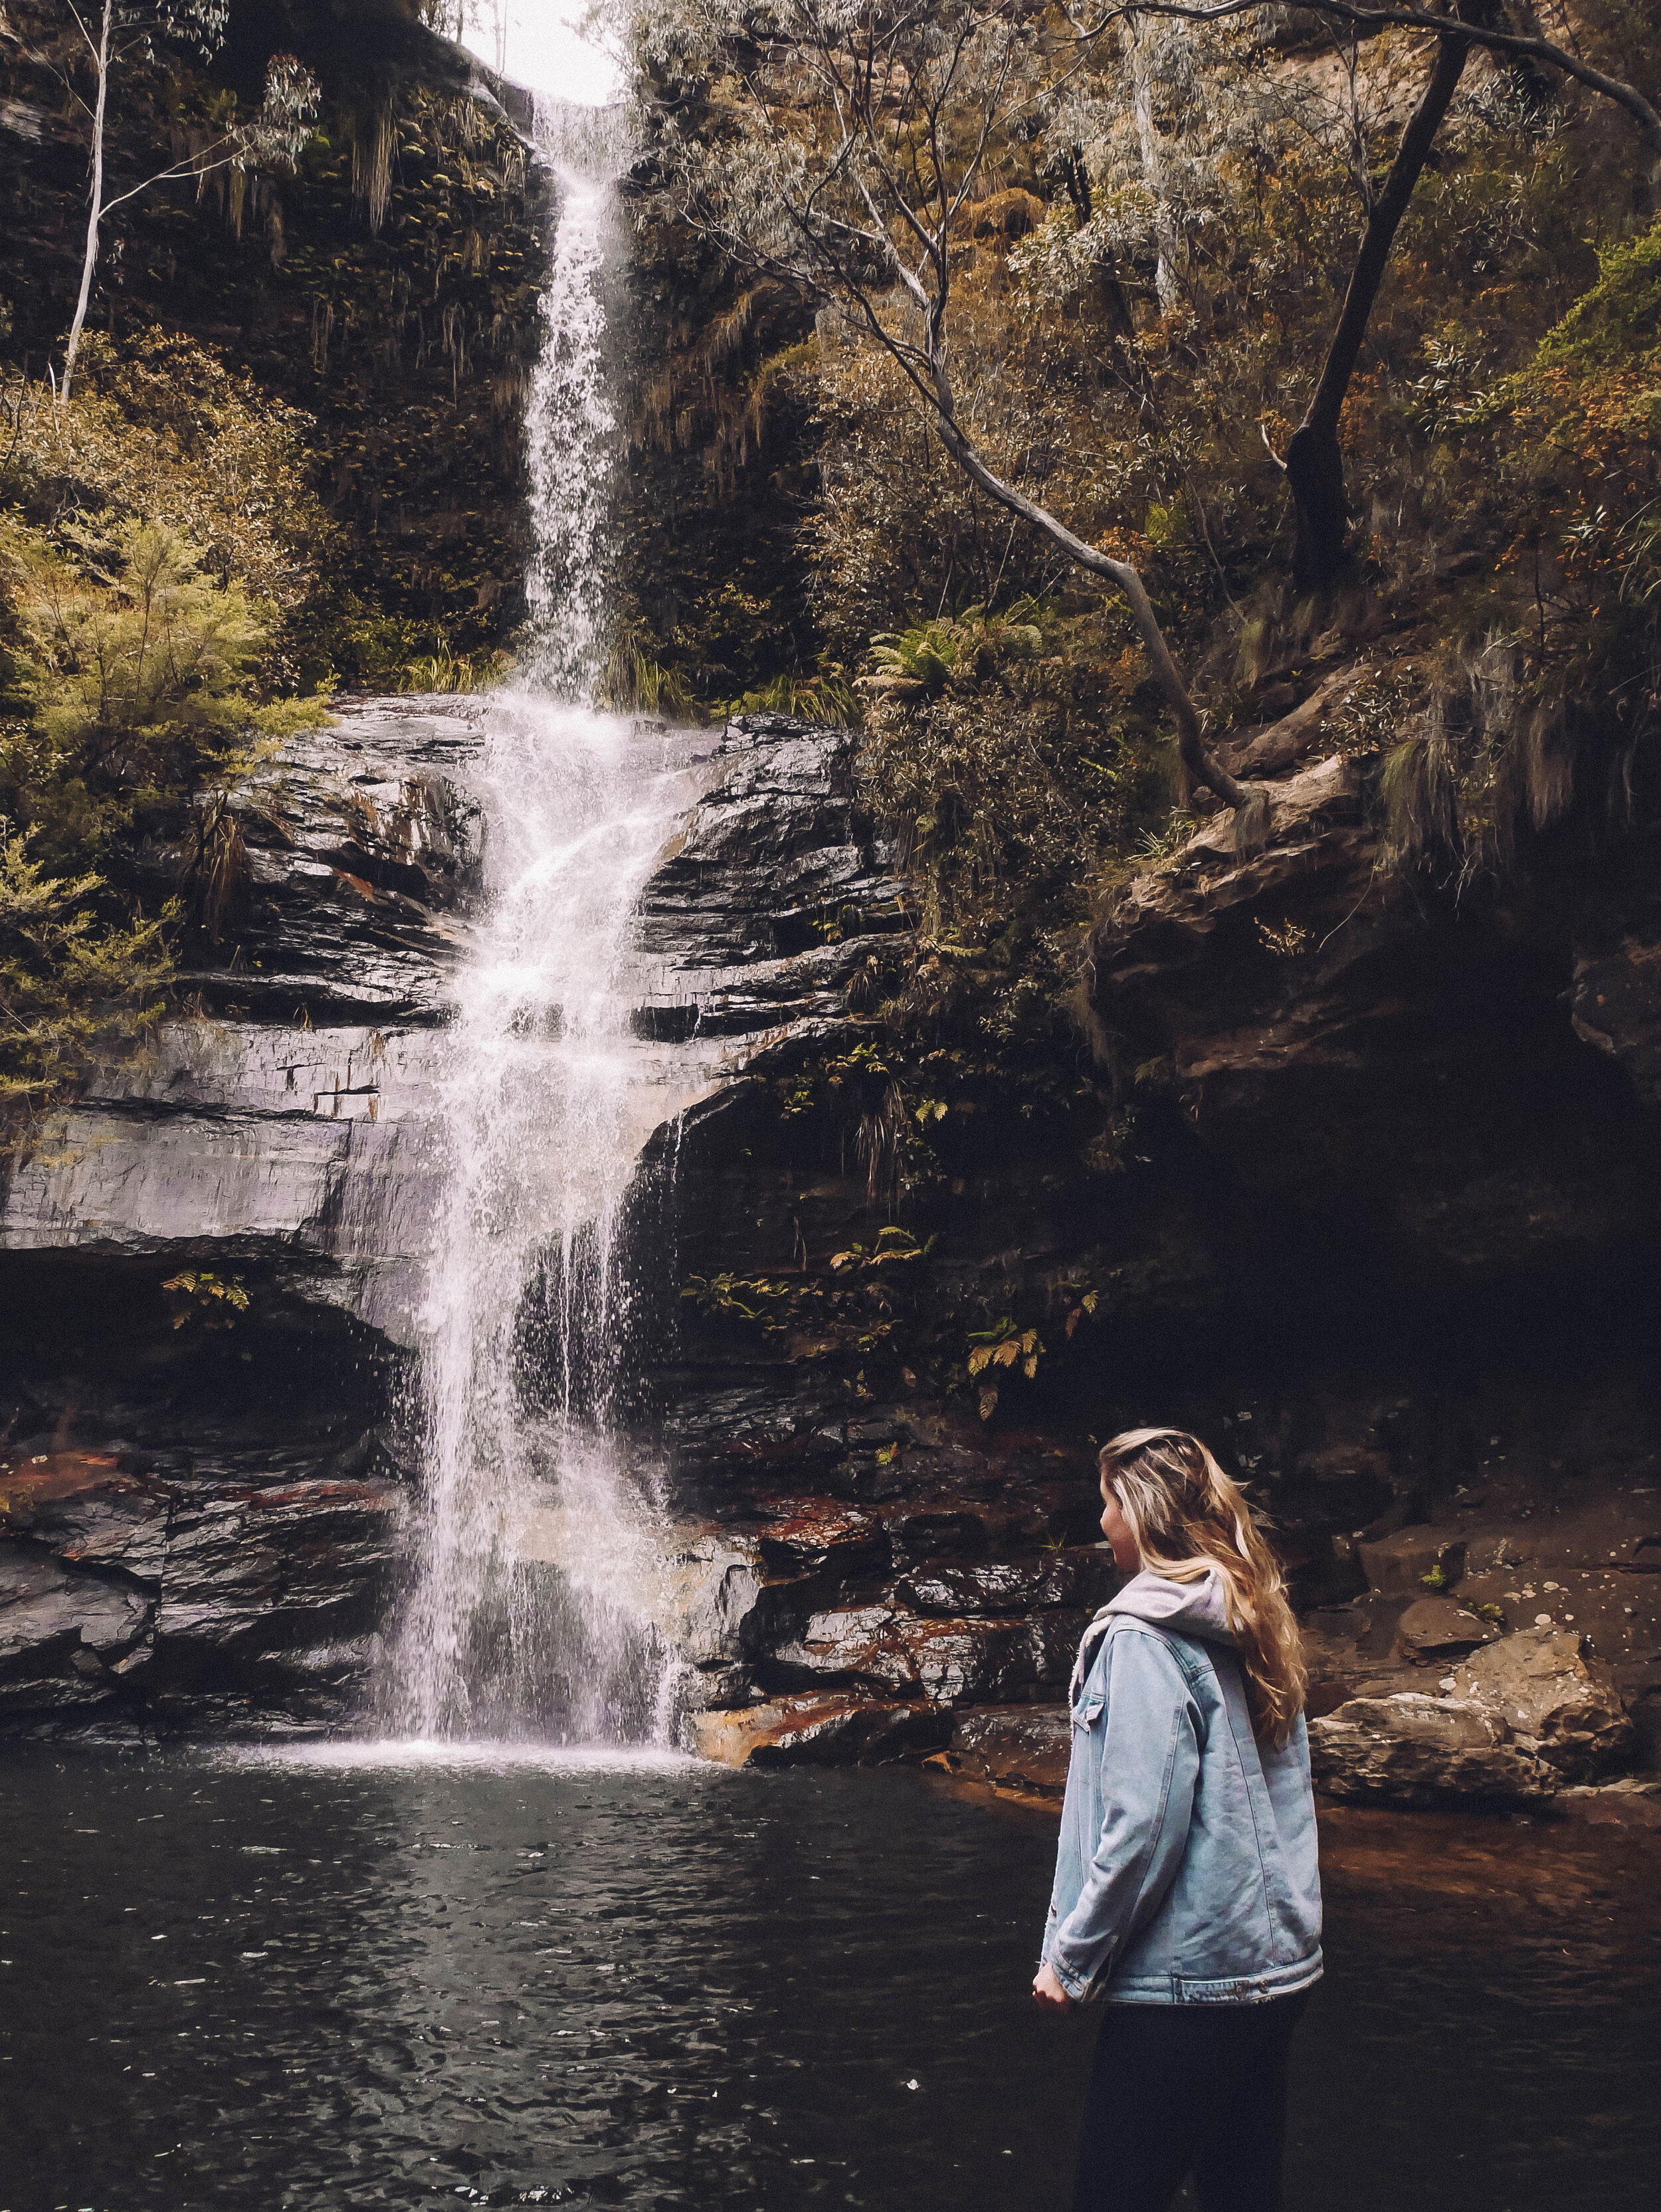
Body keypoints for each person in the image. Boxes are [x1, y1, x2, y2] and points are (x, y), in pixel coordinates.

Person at [1032, 1427, 1322, 2212]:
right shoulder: (1253, 1616)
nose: (1100, 1523)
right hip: (1275, 1970)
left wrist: (1072, 1956)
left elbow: (1143, 1822)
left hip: (1185, 1986)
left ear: (1144, 1512)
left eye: (1108, 1503)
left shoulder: (1140, 1636)